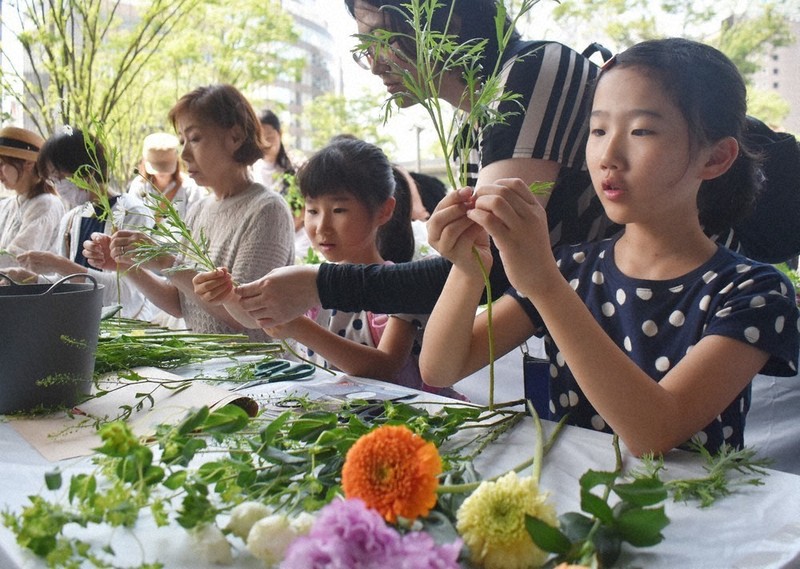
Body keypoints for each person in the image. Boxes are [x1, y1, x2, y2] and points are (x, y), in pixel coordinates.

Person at [418, 38, 799, 456]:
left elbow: (655, 431)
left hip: (692, 517)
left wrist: (545, 285)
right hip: (571, 508)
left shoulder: (754, 293)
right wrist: (469, 269)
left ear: (716, 158)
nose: (607, 155)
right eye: (597, 130)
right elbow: (442, 367)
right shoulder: (571, 268)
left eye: (641, 131)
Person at [232, 0, 613, 328]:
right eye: (365, 48)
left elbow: (490, 263)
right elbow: (475, 264)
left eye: (381, 40)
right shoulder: (467, 124)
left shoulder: (533, 68)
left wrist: (320, 285)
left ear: (448, 19)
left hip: (618, 327)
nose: (375, 64)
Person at [195, 137, 460, 395]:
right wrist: (228, 296)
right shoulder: (306, 279)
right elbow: (254, 317)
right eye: (312, 211)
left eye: (338, 211)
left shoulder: (401, 288)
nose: (322, 227)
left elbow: (385, 368)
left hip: (405, 422)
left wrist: (298, 326)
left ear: (383, 211)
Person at [83, 84, 295, 341]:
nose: (184, 154)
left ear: (235, 137)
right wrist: (127, 266)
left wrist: (163, 260)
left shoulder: (266, 210)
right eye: (182, 141)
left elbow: (247, 317)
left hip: (262, 371)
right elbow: (179, 303)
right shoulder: (199, 210)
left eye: (194, 139)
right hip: (212, 366)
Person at [8, 126, 155, 320]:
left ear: (87, 170)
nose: (57, 187)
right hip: (82, 322)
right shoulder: (72, 218)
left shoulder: (131, 212)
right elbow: (66, 283)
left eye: (59, 178)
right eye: (52, 180)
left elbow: (125, 293)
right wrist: (30, 279)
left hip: (126, 325)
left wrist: (59, 264)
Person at [0, 126, 65, 270]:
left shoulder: (46, 204)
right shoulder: (7, 205)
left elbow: (17, 259)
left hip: (32, 291)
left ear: (28, 164)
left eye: (2, 164)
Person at [127, 131, 205, 220]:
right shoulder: (139, 186)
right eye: (156, 167)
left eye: (165, 167)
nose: (161, 173)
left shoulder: (191, 187)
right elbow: (132, 218)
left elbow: (197, 221)